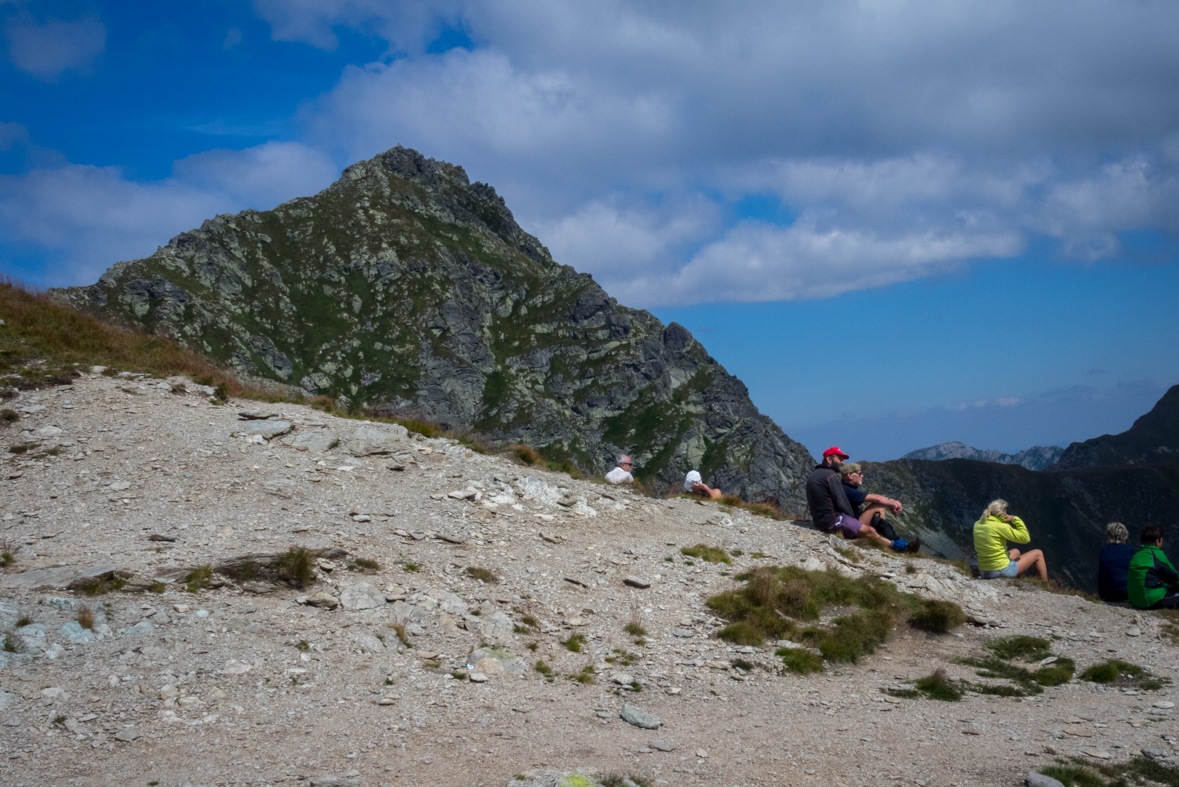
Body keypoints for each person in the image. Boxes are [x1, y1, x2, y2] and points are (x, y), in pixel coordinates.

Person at [805, 446, 915, 552]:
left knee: (873, 522)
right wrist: (855, 522)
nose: (842, 462)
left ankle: (889, 542)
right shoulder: (830, 475)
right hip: (832, 521)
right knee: (870, 531)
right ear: (829, 460)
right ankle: (897, 547)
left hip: (821, 521)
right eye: (839, 459)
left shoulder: (816, 474)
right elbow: (841, 501)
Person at [839, 463, 919, 552]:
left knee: (879, 508)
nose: (862, 476)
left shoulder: (846, 488)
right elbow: (877, 498)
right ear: (850, 475)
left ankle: (885, 541)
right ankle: (899, 546)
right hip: (853, 527)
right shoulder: (847, 490)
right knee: (878, 505)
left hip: (852, 521)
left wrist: (891, 502)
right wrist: (893, 504)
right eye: (859, 473)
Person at [973, 499, 1047, 580]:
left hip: (983, 570)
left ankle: (1016, 581)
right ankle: (1045, 587)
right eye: (1006, 513)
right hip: (999, 571)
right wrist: (1015, 519)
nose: (1007, 514)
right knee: (1038, 553)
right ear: (1001, 514)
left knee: (1016, 551)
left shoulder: (977, 524)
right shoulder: (1001, 527)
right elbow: (1025, 538)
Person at [1127, 525, 1179, 610]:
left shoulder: (1136, 556)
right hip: (1151, 601)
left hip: (1135, 601)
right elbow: (1175, 577)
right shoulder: (1157, 555)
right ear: (1158, 541)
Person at [1097, 521, 1134, 602]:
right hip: (1127, 593)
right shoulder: (1130, 551)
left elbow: (1101, 575)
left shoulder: (1105, 550)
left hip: (1107, 594)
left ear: (1109, 536)